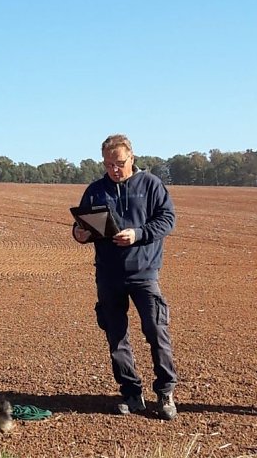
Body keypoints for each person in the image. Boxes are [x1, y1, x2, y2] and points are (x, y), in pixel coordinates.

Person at [73, 134, 178, 420]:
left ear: (131, 157)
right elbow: (81, 223)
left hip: (144, 273)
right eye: (108, 164)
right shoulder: (96, 190)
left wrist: (138, 234)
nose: (114, 170)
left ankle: (166, 393)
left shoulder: (151, 185)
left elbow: (167, 220)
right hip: (108, 274)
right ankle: (131, 394)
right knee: (116, 336)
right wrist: (80, 233)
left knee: (157, 332)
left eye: (119, 163)